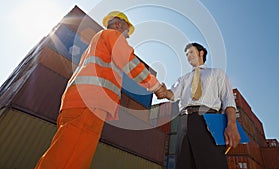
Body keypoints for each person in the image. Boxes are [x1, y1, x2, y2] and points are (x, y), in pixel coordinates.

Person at [35, 11, 167, 169]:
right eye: (127, 32)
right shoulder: (112, 35)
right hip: (92, 102)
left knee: (63, 152)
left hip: (77, 101)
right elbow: (129, 63)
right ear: (119, 25)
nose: (127, 37)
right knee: (71, 159)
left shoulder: (96, 43)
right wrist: (156, 87)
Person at [157, 43, 240, 169]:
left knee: (212, 164)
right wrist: (163, 92)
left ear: (201, 53)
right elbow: (172, 94)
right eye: (186, 54)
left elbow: (228, 100)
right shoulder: (183, 79)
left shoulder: (217, 74)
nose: (188, 56)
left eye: (191, 52)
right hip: (184, 122)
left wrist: (232, 124)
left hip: (208, 121)